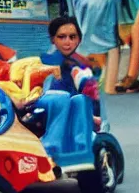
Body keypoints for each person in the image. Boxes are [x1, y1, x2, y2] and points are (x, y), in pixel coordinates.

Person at [34, 17, 102, 160]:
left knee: (64, 99)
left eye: (72, 37)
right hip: (39, 107)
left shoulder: (81, 66)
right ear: (53, 39)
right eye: (62, 37)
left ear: (79, 39)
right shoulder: (42, 61)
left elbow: (91, 95)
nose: (67, 42)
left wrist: (92, 116)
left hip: (71, 112)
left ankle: (52, 149)